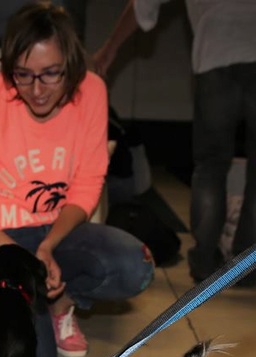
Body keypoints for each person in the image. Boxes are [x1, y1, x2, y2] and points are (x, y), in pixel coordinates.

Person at [0, 1, 154, 357]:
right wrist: (22, 257)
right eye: (23, 75)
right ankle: (35, 299)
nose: (36, 90)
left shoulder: (92, 92)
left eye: (51, 74)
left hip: (56, 231)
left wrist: (49, 246)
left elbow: (87, 185)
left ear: (71, 65)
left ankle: (61, 302)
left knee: (135, 266)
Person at [92, 0, 256, 285]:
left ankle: (205, 262)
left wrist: (109, 50)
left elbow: (143, 5)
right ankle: (244, 265)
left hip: (214, 56)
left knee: (210, 167)